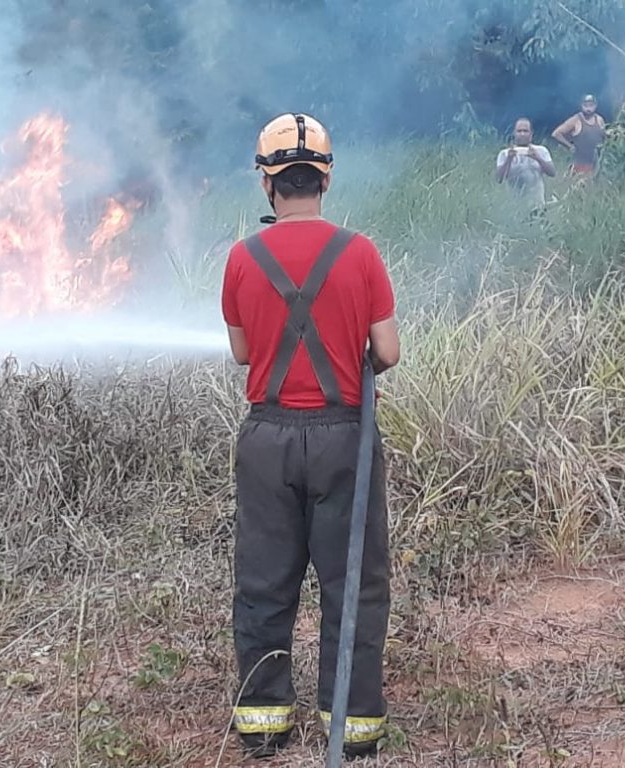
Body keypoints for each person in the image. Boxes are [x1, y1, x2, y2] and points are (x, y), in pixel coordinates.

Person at [221, 112, 400, 760]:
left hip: (267, 440)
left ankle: (263, 722)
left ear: (267, 183)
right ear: (325, 179)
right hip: (343, 438)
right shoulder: (361, 252)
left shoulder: (242, 258)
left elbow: (244, 354)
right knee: (352, 583)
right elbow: (388, 351)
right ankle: (353, 726)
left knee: (265, 581)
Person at [496, 117, 556, 210]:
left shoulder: (541, 150)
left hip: (537, 205)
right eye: (519, 131)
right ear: (514, 133)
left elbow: (552, 173)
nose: (522, 134)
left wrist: (537, 158)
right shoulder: (504, 153)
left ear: (531, 133)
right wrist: (509, 159)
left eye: (525, 131)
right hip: (514, 206)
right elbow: (499, 179)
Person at [552, 94, 607, 176]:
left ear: (595, 106)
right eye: (586, 105)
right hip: (580, 164)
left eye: (591, 105)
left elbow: (604, 138)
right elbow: (556, 134)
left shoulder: (599, 120)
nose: (588, 108)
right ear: (581, 105)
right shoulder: (576, 120)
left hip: (597, 165)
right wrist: (570, 146)